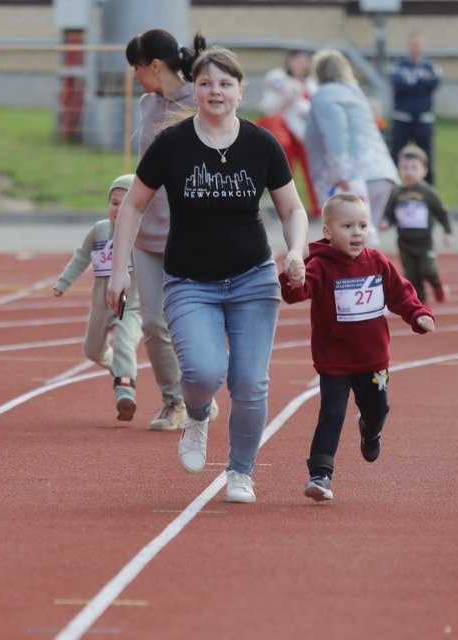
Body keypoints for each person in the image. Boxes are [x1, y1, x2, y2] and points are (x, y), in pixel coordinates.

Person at [107, 43, 309, 504]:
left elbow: (292, 208)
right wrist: (120, 272)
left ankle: (240, 472)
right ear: (194, 90)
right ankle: (196, 415)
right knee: (202, 371)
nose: (215, 91)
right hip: (189, 281)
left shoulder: (261, 144)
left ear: (241, 91)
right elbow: (133, 205)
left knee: (250, 382)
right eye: (205, 83)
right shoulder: (171, 144)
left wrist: (296, 250)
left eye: (225, 84)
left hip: (253, 280)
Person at [279, 194, 435, 502]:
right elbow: (297, 292)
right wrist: (293, 278)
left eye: (363, 225)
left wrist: (418, 314)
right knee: (331, 413)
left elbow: (400, 293)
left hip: (372, 358)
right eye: (347, 226)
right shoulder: (320, 265)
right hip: (334, 360)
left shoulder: (376, 261)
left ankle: (370, 430)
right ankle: (320, 474)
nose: (356, 233)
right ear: (327, 231)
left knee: (378, 409)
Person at [124, 29, 223, 432]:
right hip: (148, 234)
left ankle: (201, 395)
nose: (134, 78)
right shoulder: (148, 103)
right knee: (152, 323)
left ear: (155, 66)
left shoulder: (200, 102)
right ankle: (173, 399)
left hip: (190, 233)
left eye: (136, 68)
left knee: (191, 322)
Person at [52, 174, 144, 422]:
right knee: (92, 350)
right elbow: (82, 256)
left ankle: (125, 391)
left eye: (125, 204)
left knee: (125, 346)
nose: (118, 209)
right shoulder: (99, 230)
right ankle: (123, 371)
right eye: (114, 203)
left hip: (129, 306)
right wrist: (63, 282)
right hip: (100, 305)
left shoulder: (142, 234)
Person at [304, 49, 398, 249]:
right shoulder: (355, 94)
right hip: (381, 171)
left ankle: (359, 276)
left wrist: (341, 173)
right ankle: (369, 276)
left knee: (347, 236)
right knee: (362, 234)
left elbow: (337, 134)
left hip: (355, 175)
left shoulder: (325, 96)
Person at [379, 144, 453, 304]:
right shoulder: (397, 193)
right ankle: (421, 304)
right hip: (404, 243)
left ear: (424, 170)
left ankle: (437, 283)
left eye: (414, 168)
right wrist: (386, 222)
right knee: (411, 276)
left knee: (428, 269)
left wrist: (447, 232)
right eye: (405, 167)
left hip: (425, 242)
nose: (409, 172)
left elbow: (441, 212)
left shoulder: (427, 192)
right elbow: (390, 213)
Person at [256, 49, 320, 216]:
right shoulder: (279, 77)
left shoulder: (311, 83)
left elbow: (312, 109)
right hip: (283, 131)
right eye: (297, 60)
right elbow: (268, 105)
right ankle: (287, 207)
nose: (301, 64)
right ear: (289, 61)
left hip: (304, 134)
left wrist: (297, 102)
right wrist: (286, 100)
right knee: (285, 171)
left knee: (312, 171)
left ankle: (317, 207)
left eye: (304, 60)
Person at [389, 32, 442, 184]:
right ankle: (394, 190)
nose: (415, 48)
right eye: (413, 45)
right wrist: (420, 86)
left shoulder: (431, 67)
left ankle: (429, 193)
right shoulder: (398, 66)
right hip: (402, 119)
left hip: (424, 120)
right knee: (396, 156)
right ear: (407, 46)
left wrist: (411, 84)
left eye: (418, 45)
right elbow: (398, 85)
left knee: (426, 158)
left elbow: (433, 84)